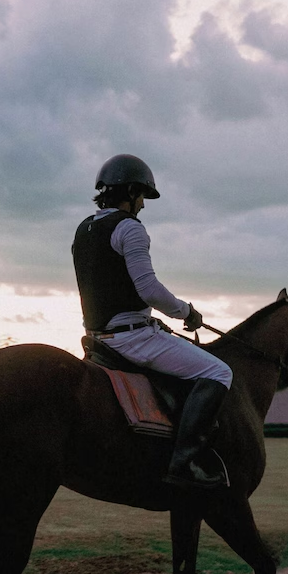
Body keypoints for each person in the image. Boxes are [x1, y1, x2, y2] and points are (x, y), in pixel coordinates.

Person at [72, 154, 232, 490]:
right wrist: (187, 312)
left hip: (97, 338)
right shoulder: (130, 228)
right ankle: (185, 462)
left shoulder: (84, 229)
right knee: (220, 372)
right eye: (142, 196)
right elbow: (149, 290)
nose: (143, 205)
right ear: (131, 192)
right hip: (132, 339)